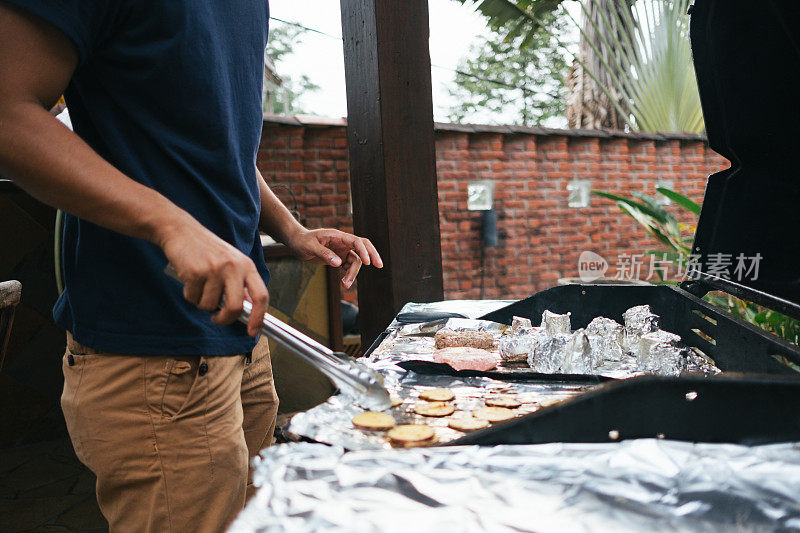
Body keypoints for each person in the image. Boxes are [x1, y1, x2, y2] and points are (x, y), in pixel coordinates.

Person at [0, 1, 382, 531]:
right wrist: (169, 224)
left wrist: (290, 231)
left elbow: (224, 145)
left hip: (243, 343)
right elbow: (8, 114)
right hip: (150, 350)